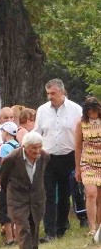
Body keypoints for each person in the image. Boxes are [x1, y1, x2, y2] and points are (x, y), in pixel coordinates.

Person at [33, 79, 84, 240]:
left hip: (68, 156)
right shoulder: (42, 110)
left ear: (62, 92)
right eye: (48, 93)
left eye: (53, 93)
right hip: (48, 157)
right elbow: (37, 131)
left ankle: (62, 226)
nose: (50, 96)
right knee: (48, 193)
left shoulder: (75, 109)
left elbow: (81, 133)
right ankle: (50, 231)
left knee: (64, 194)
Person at [0, 132, 49, 249]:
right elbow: (3, 177)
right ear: (25, 147)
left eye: (39, 147)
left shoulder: (44, 156)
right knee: (23, 227)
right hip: (17, 198)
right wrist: (10, 192)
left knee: (34, 227)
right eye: (33, 148)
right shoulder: (12, 158)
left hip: (37, 198)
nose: (37, 151)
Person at [74, 97, 101, 240]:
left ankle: (99, 228)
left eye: (94, 111)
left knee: (100, 197)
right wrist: (78, 168)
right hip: (87, 163)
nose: (92, 114)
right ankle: (92, 227)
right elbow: (78, 146)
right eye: (89, 112)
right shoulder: (81, 123)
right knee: (91, 194)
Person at [0, 121, 20, 245]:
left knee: (5, 209)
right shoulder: (19, 145)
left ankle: (9, 238)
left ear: (6, 132)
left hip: (7, 182)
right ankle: (18, 237)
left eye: (2, 131)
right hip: (19, 182)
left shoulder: (4, 147)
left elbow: (3, 167)